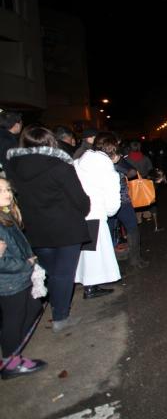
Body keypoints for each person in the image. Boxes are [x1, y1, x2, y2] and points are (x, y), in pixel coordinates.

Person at [4, 126, 90, 332]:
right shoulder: (60, 166)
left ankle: (52, 308)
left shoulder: (12, 167)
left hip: (34, 228)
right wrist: (84, 207)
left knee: (50, 272)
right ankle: (60, 316)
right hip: (66, 227)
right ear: (52, 142)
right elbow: (80, 200)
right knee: (64, 273)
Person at [0, 178, 47, 380]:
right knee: (14, 318)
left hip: (19, 277)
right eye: (1, 190)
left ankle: (14, 355)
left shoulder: (5, 214)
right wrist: (27, 264)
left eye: (8, 189)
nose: (7, 194)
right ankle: (11, 363)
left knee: (34, 307)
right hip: (10, 281)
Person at [73, 133, 122, 298]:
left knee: (86, 250)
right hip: (94, 211)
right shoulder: (107, 170)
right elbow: (112, 203)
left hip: (77, 212)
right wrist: (109, 211)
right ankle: (90, 287)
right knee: (93, 252)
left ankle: (89, 285)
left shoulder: (81, 161)